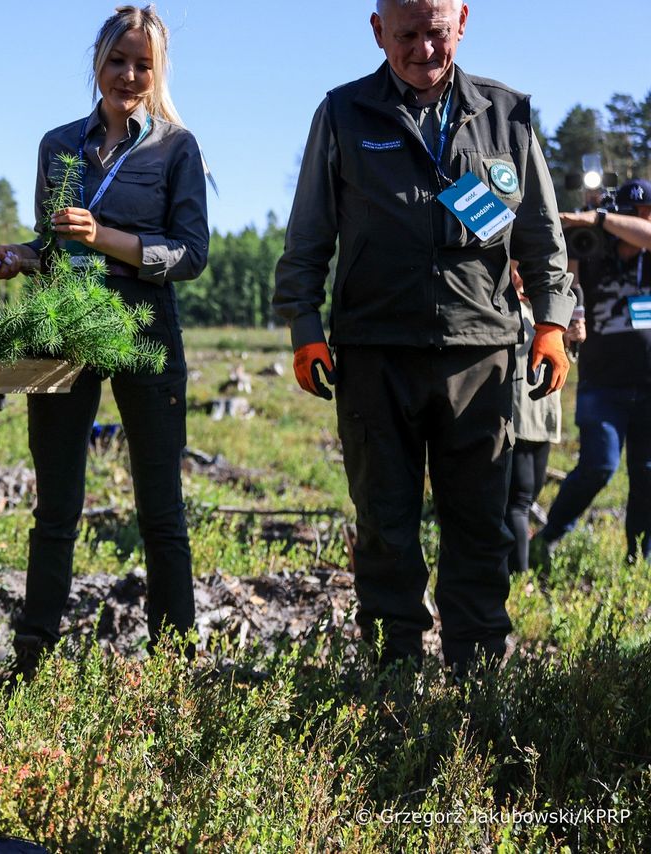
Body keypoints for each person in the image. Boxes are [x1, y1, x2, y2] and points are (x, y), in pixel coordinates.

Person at [272, 0, 574, 676]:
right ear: (377, 30)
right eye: (406, 35)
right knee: (385, 526)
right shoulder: (344, 114)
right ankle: (395, 677)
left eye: (436, 33)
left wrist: (551, 323)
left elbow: (541, 238)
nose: (423, 51)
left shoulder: (507, 114)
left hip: (481, 354)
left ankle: (478, 679)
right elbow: (309, 236)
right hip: (375, 355)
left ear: (462, 21)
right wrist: (304, 326)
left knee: (479, 526)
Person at [0, 5, 208, 671]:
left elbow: (192, 254)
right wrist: (23, 256)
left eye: (143, 64)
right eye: (118, 60)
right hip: (64, 330)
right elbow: (53, 245)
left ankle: (175, 659)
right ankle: (35, 651)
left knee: (161, 510)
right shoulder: (57, 144)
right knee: (56, 505)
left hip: (147, 334)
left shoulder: (176, 146)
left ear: (158, 70)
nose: (129, 75)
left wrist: (105, 238)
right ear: (97, 63)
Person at [533, 179, 651, 566]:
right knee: (598, 465)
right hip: (603, 382)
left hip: (648, 384)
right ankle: (550, 535)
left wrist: (599, 217)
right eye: (632, 213)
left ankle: (640, 560)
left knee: (647, 476)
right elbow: (566, 280)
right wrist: (581, 231)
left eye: (644, 212)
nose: (639, 218)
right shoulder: (593, 249)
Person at [504, 262, 582, 574]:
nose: (520, 273)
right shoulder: (503, 304)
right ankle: (520, 579)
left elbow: (559, 356)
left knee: (530, 495)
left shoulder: (546, 306)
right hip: (519, 412)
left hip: (544, 412)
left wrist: (571, 339)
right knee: (519, 501)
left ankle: (516, 568)